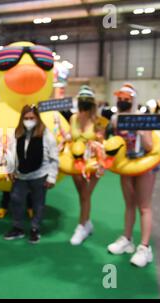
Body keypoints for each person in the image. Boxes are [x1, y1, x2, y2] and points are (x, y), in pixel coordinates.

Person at [106, 83, 155, 268]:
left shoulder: (142, 118)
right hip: (126, 166)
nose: (122, 102)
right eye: (120, 99)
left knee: (144, 207)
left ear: (133, 100)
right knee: (129, 205)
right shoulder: (115, 119)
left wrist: (142, 133)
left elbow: (150, 146)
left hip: (143, 167)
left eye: (126, 99)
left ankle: (144, 247)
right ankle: (127, 239)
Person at [4, 105, 59, 243]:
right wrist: (10, 170)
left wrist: (52, 176)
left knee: (38, 204)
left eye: (32, 118)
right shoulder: (16, 133)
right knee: (16, 200)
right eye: (26, 118)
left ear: (37, 118)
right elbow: (11, 154)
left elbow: (54, 157)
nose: (29, 121)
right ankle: (18, 228)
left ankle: (35, 229)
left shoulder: (46, 134)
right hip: (20, 175)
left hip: (40, 175)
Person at [62, 86, 106, 245]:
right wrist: (62, 136)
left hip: (93, 163)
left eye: (86, 103)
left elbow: (103, 142)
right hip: (76, 161)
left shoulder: (98, 121)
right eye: (82, 102)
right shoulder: (73, 118)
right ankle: (87, 223)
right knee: (82, 195)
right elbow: (70, 135)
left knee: (86, 194)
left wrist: (97, 142)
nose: (84, 106)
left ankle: (81, 227)